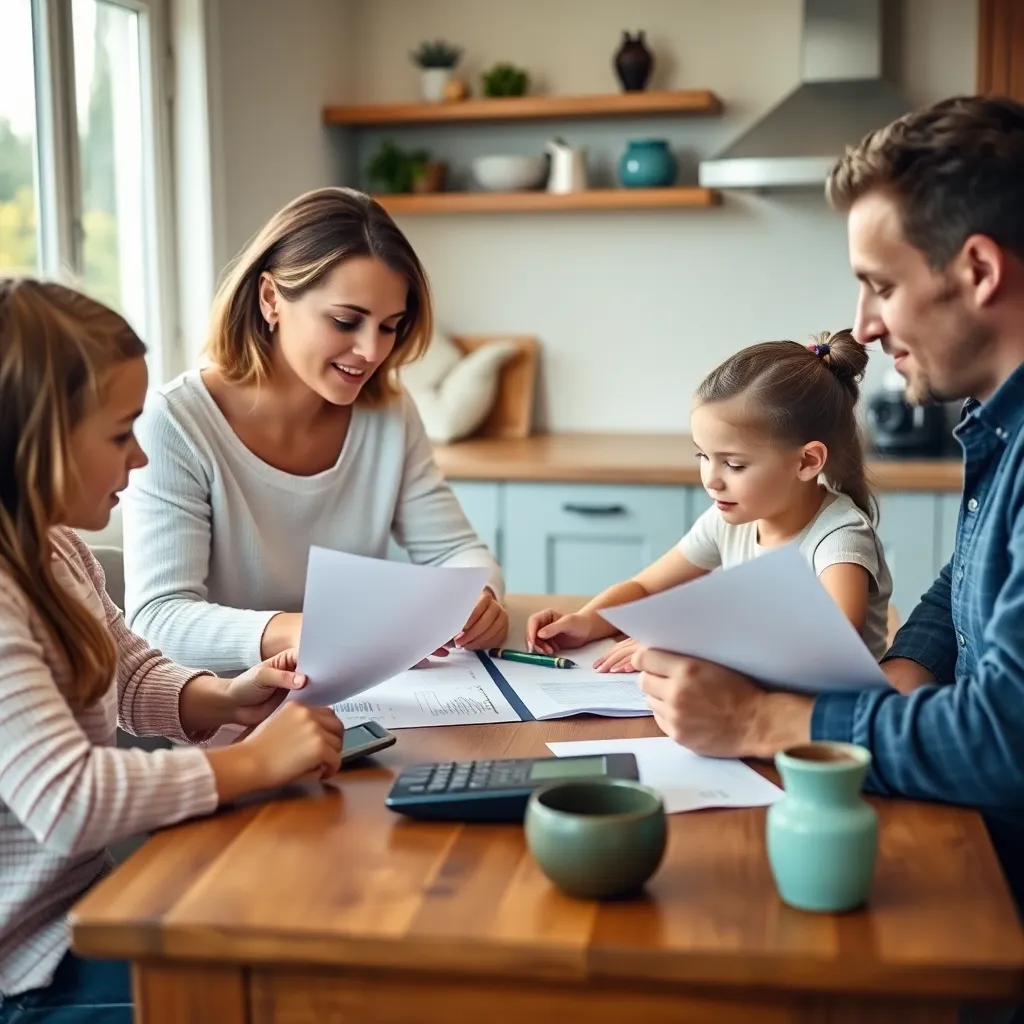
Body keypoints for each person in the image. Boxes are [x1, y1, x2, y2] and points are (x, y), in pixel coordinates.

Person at [631, 95, 1024, 910]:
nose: (864, 327)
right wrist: (906, 669)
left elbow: (1005, 742)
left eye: (881, 285)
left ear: (979, 272)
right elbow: (971, 578)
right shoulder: (1003, 426)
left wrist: (759, 721)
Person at [0, 279, 344, 1020]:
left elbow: (127, 672)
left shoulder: (54, 550)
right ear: (36, 439)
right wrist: (251, 761)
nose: (142, 460)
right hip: (26, 971)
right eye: (121, 433)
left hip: (85, 913)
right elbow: (67, 800)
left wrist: (222, 696)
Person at [122, 187, 507, 676]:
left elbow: (456, 550)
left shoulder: (388, 412)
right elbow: (157, 621)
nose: (371, 351)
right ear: (270, 299)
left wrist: (476, 597)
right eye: (347, 321)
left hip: (359, 698)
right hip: (228, 718)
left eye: (390, 326)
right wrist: (311, 630)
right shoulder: (177, 423)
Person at [527, 331, 892, 672]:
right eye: (702, 456)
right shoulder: (728, 520)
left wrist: (689, 642)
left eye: (734, 464)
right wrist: (588, 621)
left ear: (807, 462)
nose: (711, 480)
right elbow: (646, 588)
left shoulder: (839, 537)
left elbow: (832, 642)